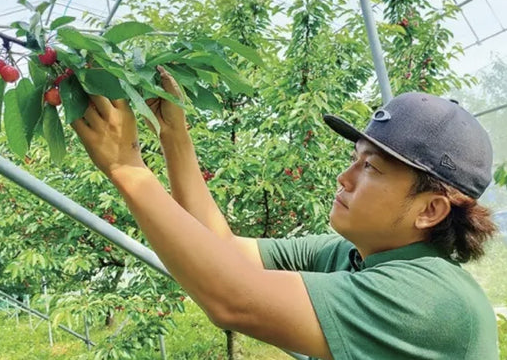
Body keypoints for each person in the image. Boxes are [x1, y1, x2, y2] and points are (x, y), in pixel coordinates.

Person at [71, 67, 499, 360]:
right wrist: (174, 138)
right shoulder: (350, 255)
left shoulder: (432, 302)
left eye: (370, 168)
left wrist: (127, 168)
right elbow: (225, 253)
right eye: (355, 158)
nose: (344, 177)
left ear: (430, 210)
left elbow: (234, 299)